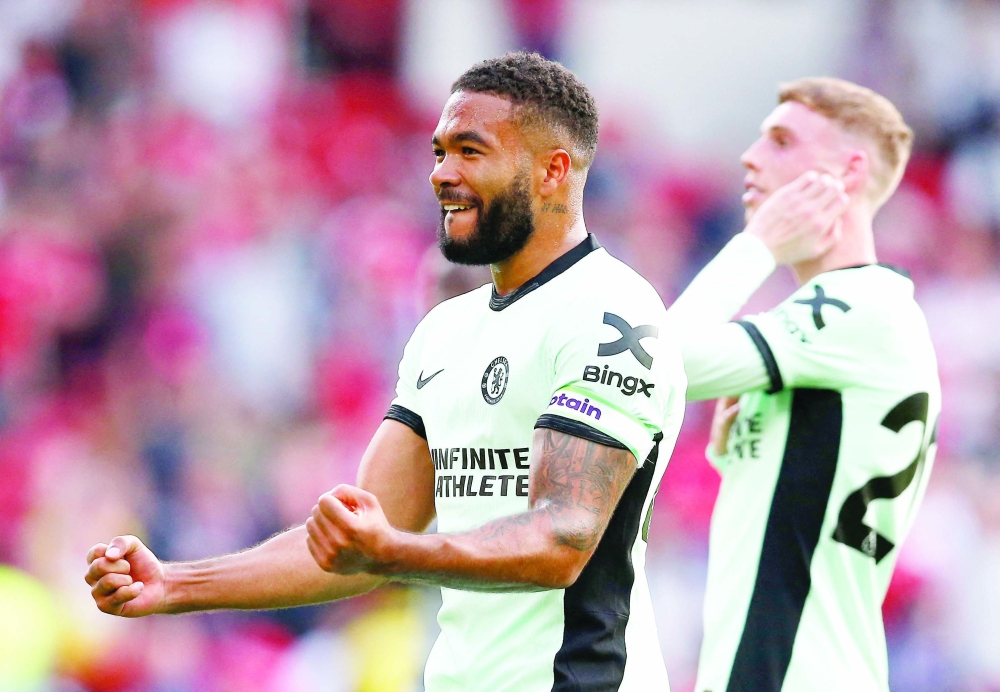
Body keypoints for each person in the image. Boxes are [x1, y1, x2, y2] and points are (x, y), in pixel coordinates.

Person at [86, 52, 689, 692]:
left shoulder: (609, 312)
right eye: (438, 152)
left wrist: (390, 550)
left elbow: (562, 539)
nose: (441, 175)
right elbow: (360, 544)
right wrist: (175, 583)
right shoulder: (443, 332)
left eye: (470, 152)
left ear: (553, 171)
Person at [666, 78, 941, 691]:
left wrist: (755, 247)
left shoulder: (853, 309)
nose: (751, 156)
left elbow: (656, 366)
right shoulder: (856, 320)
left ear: (846, 173)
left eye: (782, 140)